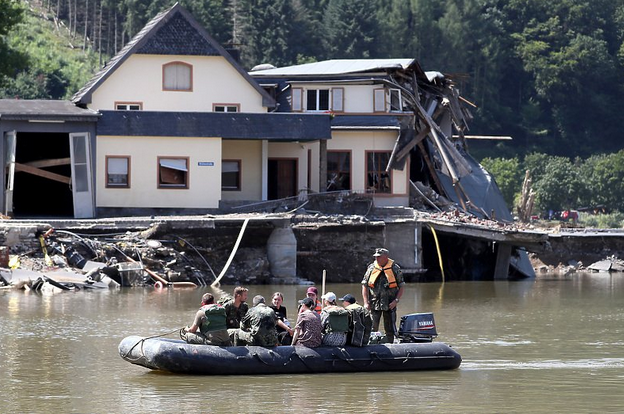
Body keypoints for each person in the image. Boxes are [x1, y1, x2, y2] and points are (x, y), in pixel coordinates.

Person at [361, 247, 405, 343]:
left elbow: (401, 286)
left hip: (389, 304)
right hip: (374, 304)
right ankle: (370, 345)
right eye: (376, 257)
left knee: (389, 329)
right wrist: (366, 302)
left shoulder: (395, 268)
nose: (377, 259)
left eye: (379, 257)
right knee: (372, 327)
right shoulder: (371, 268)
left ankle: (390, 345)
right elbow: (364, 286)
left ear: (386, 257)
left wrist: (396, 301)